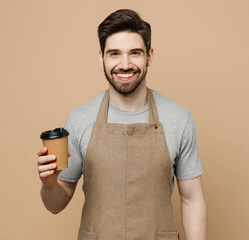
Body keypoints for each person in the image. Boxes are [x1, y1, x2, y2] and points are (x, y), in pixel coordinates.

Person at [37, 9, 207, 240]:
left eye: (135, 53)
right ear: (102, 58)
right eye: (114, 53)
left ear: (149, 56)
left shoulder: (178, 118)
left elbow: (192, 199)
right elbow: (57, 203)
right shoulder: (79, 120)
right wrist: (49, 184)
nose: (124, 64)